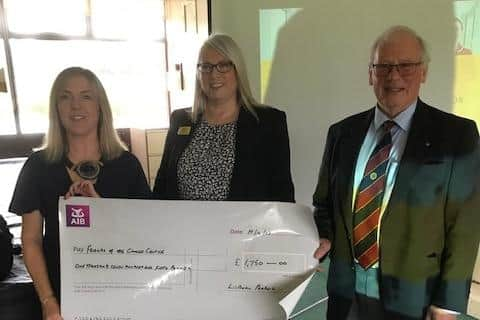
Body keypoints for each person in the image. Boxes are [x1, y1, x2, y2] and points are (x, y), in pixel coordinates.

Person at [312, 26, 480, 320]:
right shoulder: (342, 133)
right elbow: (323, 202)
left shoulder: (457, 136)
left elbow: (465, 229)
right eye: (383, 66)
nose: (394, 75)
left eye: (406, 65)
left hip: (415, 299)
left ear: (424, 72)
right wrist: (324, 235)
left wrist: (448, 304)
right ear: (370, 74)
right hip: (345, 297)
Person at [9, 67, 151, 319]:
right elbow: (30, 240)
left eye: (86, 96)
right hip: (61, 300)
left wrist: (102, 213)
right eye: (65, 97)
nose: (76, 105)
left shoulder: (127, 165)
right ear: (56, 108)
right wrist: (48, 302)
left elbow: (142, 236)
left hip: (123, 295)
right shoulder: (37, 166)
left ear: (100, 107)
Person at [152, 34, 294, 202]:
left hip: (244, 227)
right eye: (206, 67)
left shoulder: (268, 122)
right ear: (198, 73)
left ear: (237, 70)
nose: (214, 74)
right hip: (184, 226)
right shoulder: (180, 120)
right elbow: (162, 187)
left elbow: (282, 193)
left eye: (223, 65)